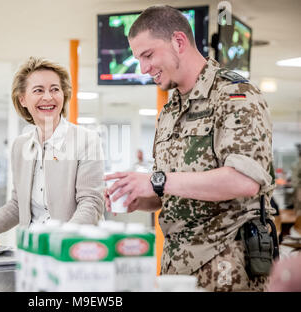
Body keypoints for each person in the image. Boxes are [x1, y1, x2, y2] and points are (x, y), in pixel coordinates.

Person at [104, 6, 275, 291]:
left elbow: (244, 181)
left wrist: (157, 181)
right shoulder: (170, 109)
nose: (143, 69)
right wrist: (138, 198)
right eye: (138, 59)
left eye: (148, 55)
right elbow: (169, 192)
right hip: (176, 267)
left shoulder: (235, 95)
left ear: (179, 42)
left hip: (227, 268)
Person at [0, 57, 104, 237]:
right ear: (23, 100)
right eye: (38, 90)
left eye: (55, 89)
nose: (48, 97)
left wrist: (63, 238)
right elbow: (18, 205)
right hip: (32, 249)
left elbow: (91, 203)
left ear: (64, 95)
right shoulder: (20, 146)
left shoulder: (86, 140)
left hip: (72, 249)